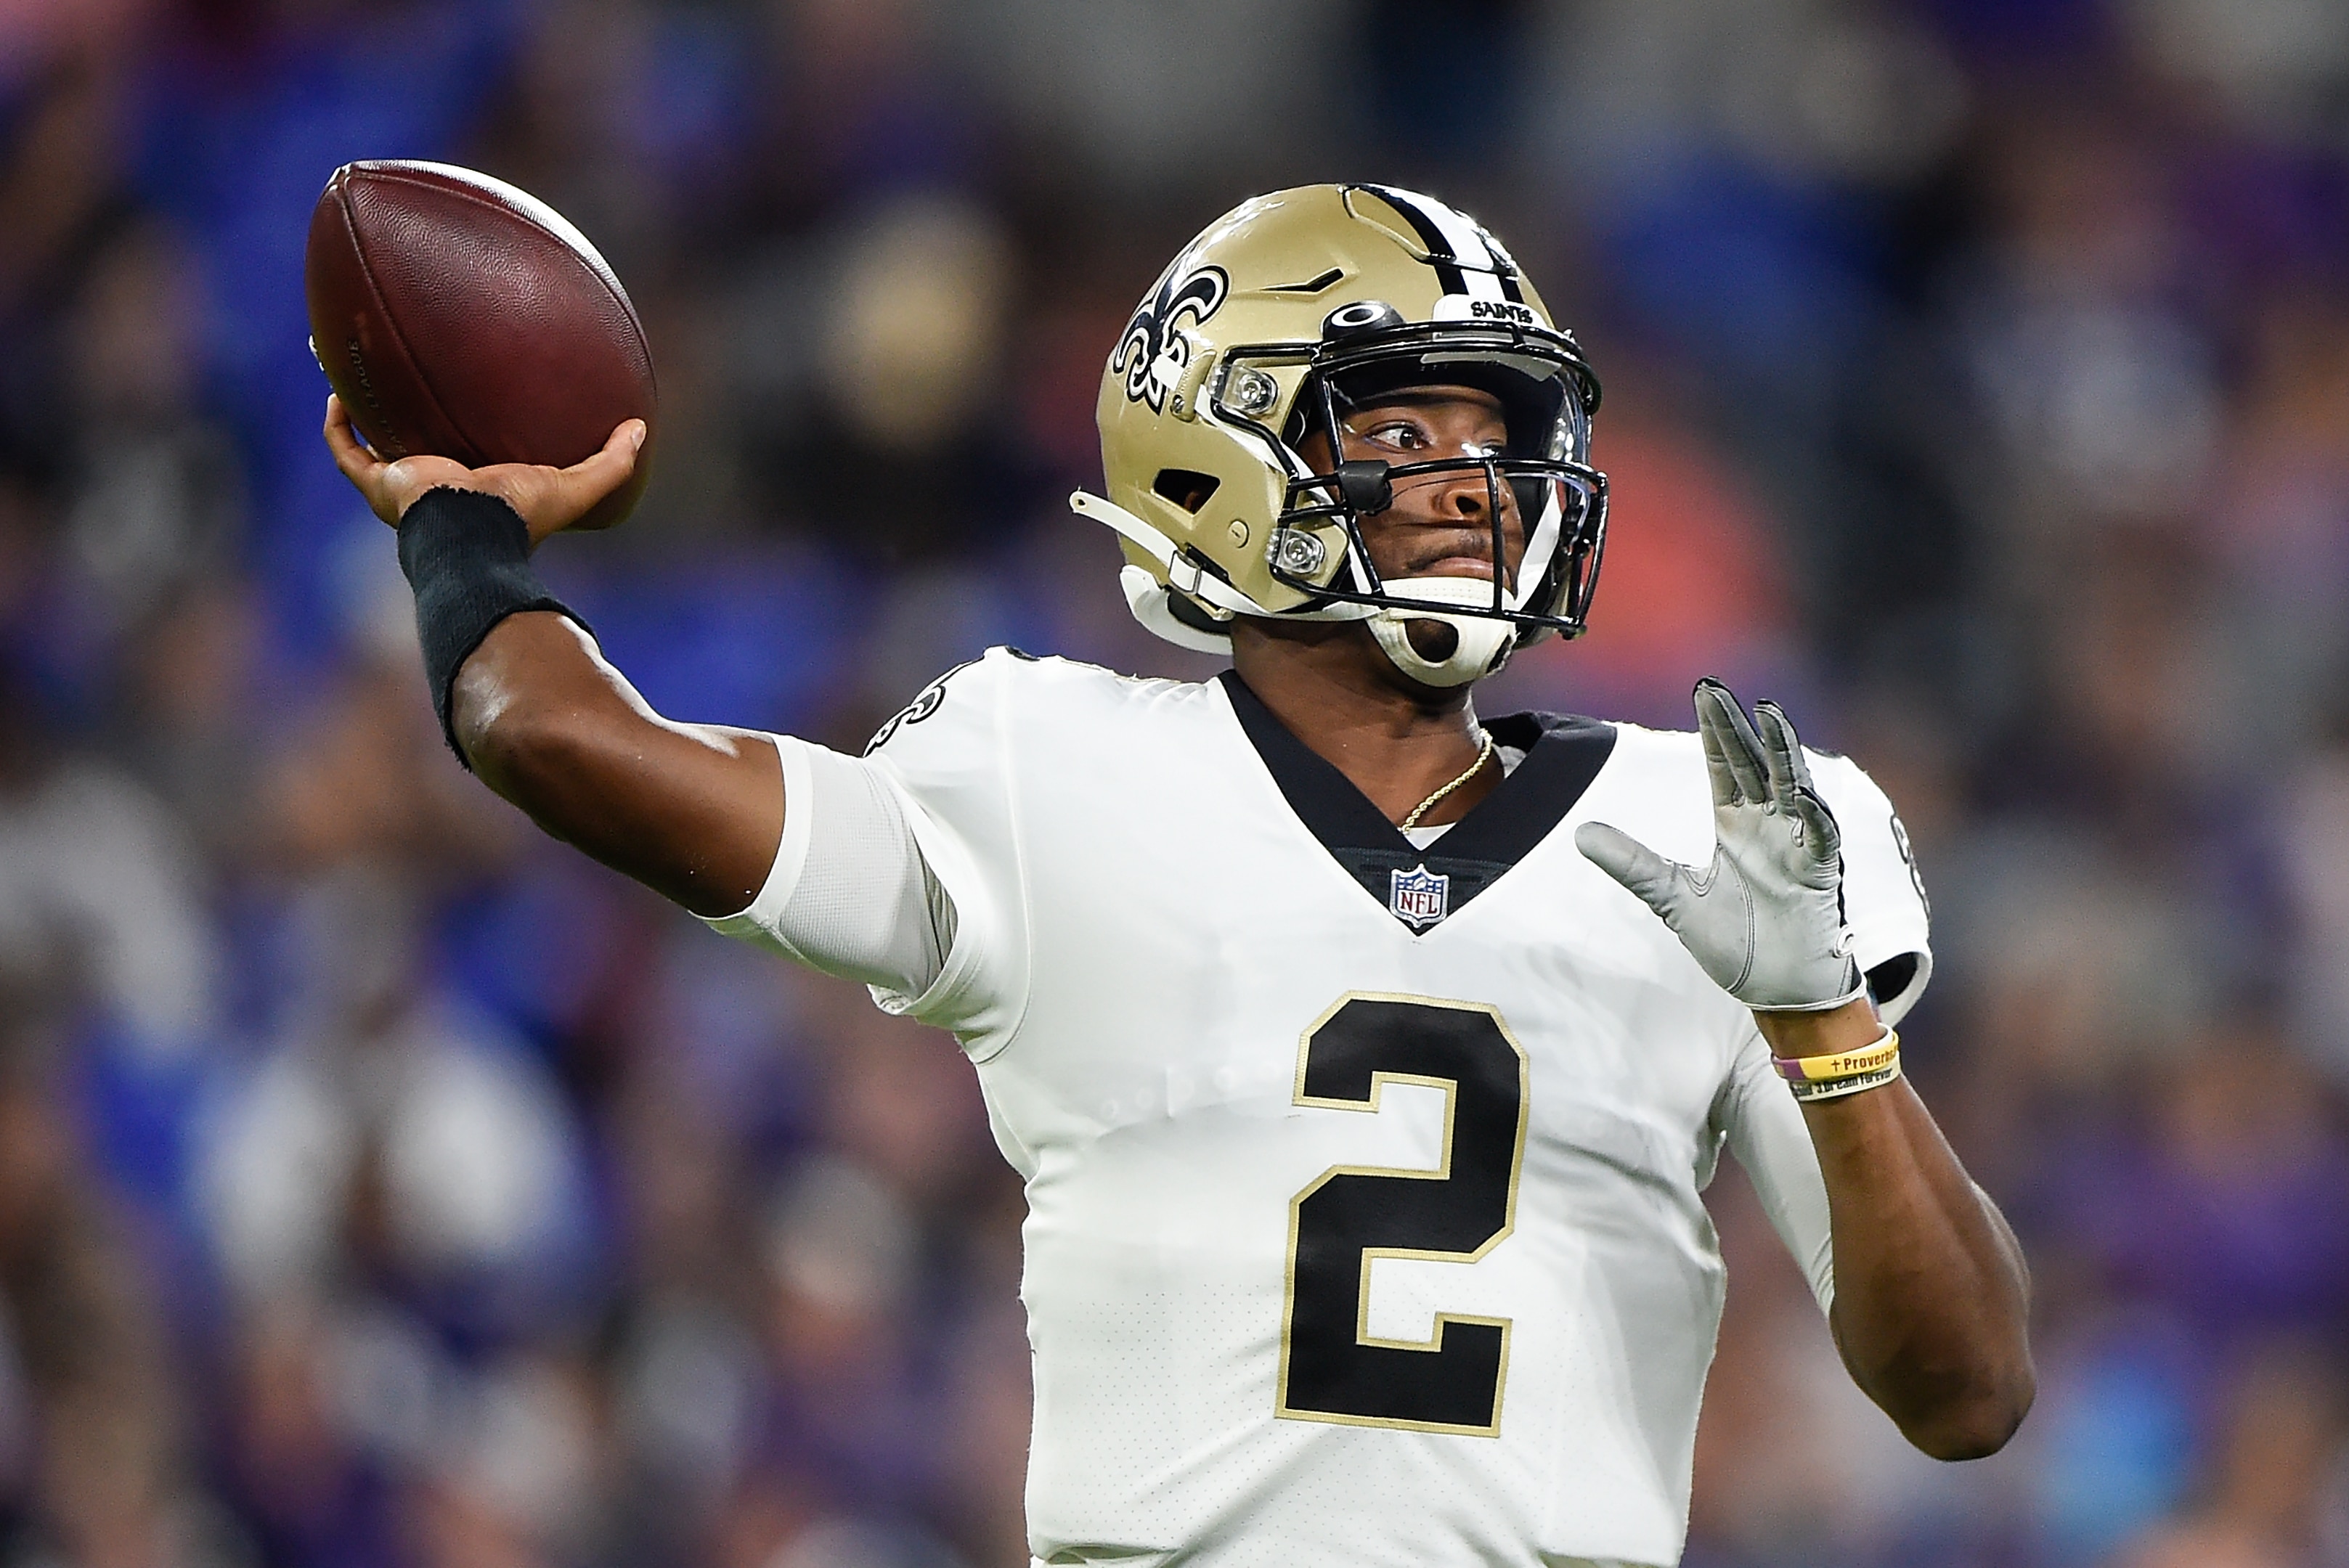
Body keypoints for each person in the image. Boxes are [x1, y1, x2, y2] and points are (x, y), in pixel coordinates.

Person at [325, 184, 2032, 1566]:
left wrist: (1829, 1035)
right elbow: (544, 734)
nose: (1475, 478)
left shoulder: (1720, 833)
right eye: (1406, 425)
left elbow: (1965, 1390)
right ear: (1226, 452)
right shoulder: (1047, 771)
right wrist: (459, 525)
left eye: (1494, 426)